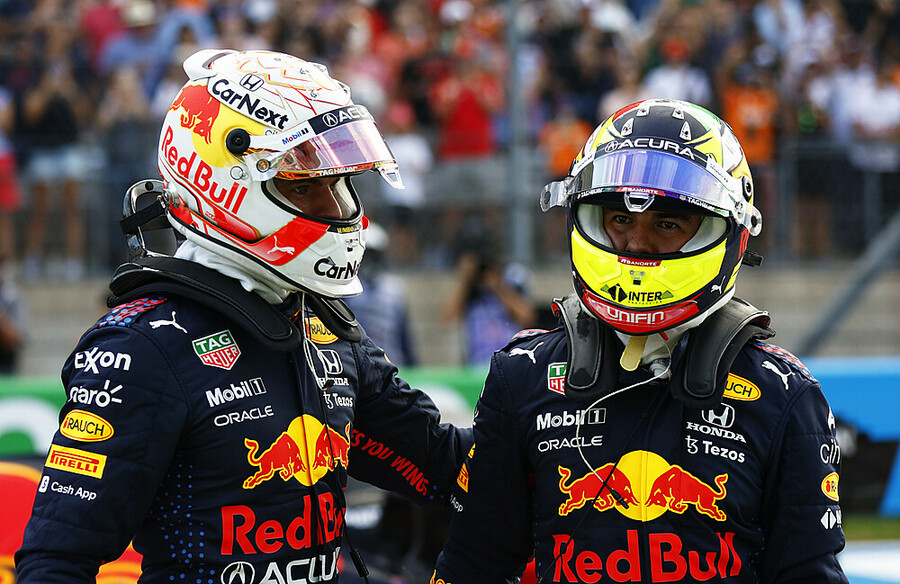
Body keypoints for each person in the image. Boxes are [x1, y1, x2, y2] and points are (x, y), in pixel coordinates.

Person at [15, 48, 472, 582]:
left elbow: (444, 463)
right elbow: (57, 561)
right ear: (226, 187)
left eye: (338, 183)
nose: (336, 208)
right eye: (304, 186)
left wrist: (542, 404)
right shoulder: (140, 348)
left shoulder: (321, 325)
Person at [432, 98, 848, 583]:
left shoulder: (785, 394)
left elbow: (809, 574)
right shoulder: (521, 375)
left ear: (731, 237)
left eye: (667, 224)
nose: (637, 244)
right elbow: (472, 564)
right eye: (621, 219)